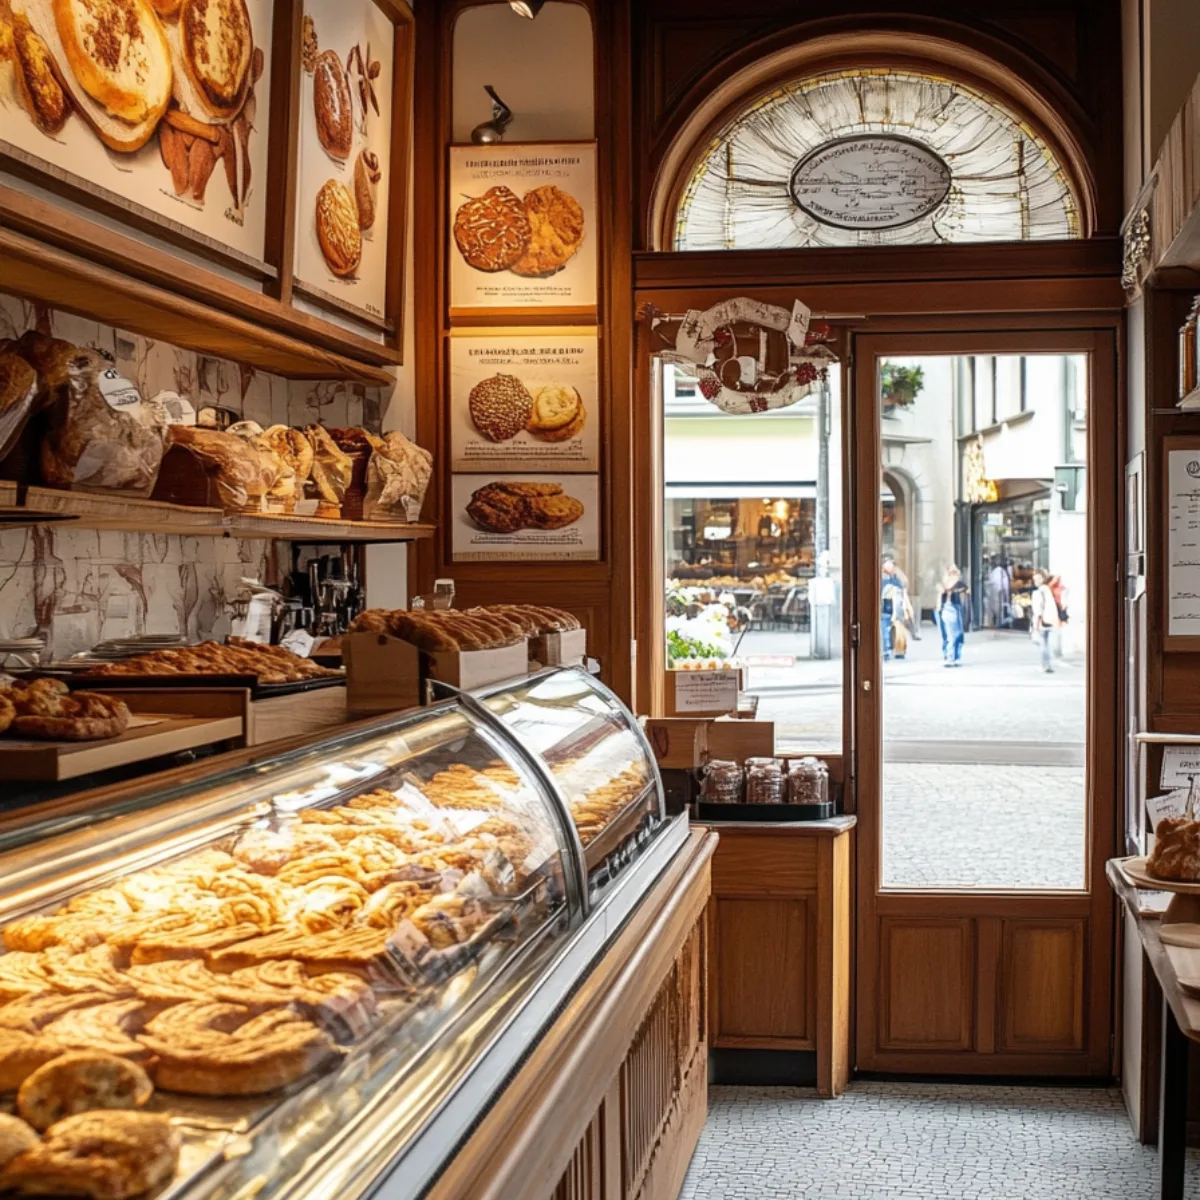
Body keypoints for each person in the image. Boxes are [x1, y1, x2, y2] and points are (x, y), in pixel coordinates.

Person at [935, 565, 968, 667]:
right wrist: (938, 608)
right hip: (947, 610)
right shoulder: (943, 585)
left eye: (955, 573)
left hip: (957, 610)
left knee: (958, 634)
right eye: (951, 573)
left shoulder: (960, 585)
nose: (953, 575)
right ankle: (949, 657)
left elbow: (966, 595)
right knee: (950, 635)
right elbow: (940, 597)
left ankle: (956, 657)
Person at [1030, 570, 1061, 673]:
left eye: (1038, 579)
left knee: (1042, 642)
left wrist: (1035, 623)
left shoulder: (1038, 592)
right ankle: (1047, 665)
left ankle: (1045, 665)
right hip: (1049, 620)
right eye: (1035, 579)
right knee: (1045, 642)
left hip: (1042, 620)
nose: (1036, 581)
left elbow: (1037, 610)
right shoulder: (1047, 589)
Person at [880, 559, 904, 663]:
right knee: (886, 631)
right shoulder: (883, 580)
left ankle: (895, 649)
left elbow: (902, 590)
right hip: (886, 608)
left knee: (894, 631)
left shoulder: (895, 579)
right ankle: (887, 650)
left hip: (894, 608)